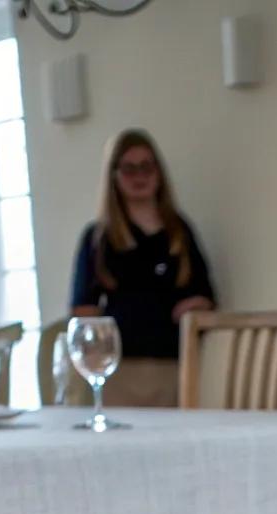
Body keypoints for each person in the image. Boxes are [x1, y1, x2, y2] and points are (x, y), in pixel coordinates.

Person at [70, 128, 216, 407]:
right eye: (129, 168)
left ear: (159, 172)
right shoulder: (98, 238)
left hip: (174, 365)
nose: (139, 176)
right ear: (114, 175)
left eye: (147, 167)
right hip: (119, 370)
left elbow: (204, 296)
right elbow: (83, 311)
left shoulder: (179, 232)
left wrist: (195, 306)